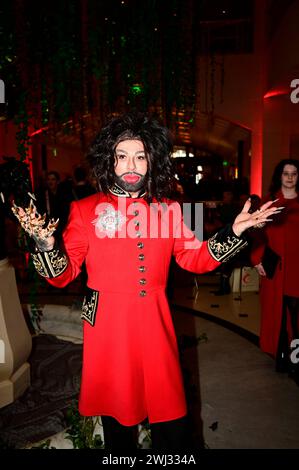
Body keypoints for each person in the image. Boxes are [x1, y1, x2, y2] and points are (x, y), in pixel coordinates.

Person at [12, 112, 282, 451]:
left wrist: (235, 231)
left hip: (155, 324)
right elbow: (62, 275)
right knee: (118, 428)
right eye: (122, 156)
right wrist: (46, 245)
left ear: (151, 161)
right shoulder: (84, 209)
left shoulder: (172, 209)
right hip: (109, 331)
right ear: (109, 161)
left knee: (174, 425)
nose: (131, 165)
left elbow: (194, 259)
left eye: (140, 156)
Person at [251, 158, 299, 384]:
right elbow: (257, 235)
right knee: (277, 317)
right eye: (285, 173)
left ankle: (295, 361)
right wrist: (257, 259)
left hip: (297, 270)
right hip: (276, 268)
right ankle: (281, 357)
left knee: (296, 318)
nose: (290, 177)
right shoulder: (269, 203)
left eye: (294, 173)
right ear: (279, 176)